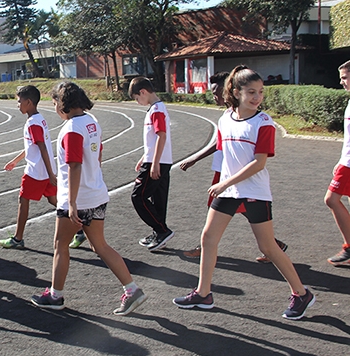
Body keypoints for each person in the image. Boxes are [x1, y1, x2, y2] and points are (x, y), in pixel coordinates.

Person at [173, 66, 314, 320]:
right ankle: (203, 293)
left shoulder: (264, 123)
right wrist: (206, 168)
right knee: (208, 239)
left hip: (254, 192)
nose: (257, 97)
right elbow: (221, 147)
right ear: (236, 92)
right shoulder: (225, 118)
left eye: (260, 92)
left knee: (268, 247)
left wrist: (224, 184)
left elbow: (259, 163)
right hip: (228, 191)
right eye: (251, 92)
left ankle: (301, 293)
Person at [31, 82, 147, 316]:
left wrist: (72, 203)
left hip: (78, 198)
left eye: (54, 103)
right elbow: (98, 154)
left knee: (60, 245)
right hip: (96, 194)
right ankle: (132, 289)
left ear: (62, 104)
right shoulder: (92, 122)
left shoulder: (72, 129)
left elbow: (74, 165)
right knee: (99, 245)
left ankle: (55, 295)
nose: (54, 108)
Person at [180, 72, 287, 262]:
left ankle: (273, 249)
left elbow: (258, 161)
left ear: (231, 91)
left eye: (218, 92)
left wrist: (196, 158)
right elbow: (220, 142)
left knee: (239, 209)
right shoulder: (227, 116)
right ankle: (205, 277)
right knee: (224, 215)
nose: (215, 96)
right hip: (226, 172)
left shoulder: (255, 118)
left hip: (236, 176)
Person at [0, 85, 58, 249]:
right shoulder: (40, 119)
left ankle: (18, 238)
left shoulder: (33, 123)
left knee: (23, 200)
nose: (18, 105)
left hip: (36, 171)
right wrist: (15, 160)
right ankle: (81, 227)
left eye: (19, 101)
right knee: (54, 200)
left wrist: (51, 174)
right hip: (45, 170)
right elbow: (33, 146)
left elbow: (42, 147)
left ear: (29, 102)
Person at [130, 77, 174, 252]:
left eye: (136, 98)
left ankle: (162, 230)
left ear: (143, 92)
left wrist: (154, 162)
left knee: (138, 196)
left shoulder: (156, 110)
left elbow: (161, 136)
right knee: (158, 199)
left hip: (158, 162)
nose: (137, 102)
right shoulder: (156, 109)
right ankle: (159, 234)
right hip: (159, 160)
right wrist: (144, 156)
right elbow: (154, 139)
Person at [325, 60, 350, 267]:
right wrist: (341, 159)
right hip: (347, 162)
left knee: (331, 199)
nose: (341, 82)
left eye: (344, 77)